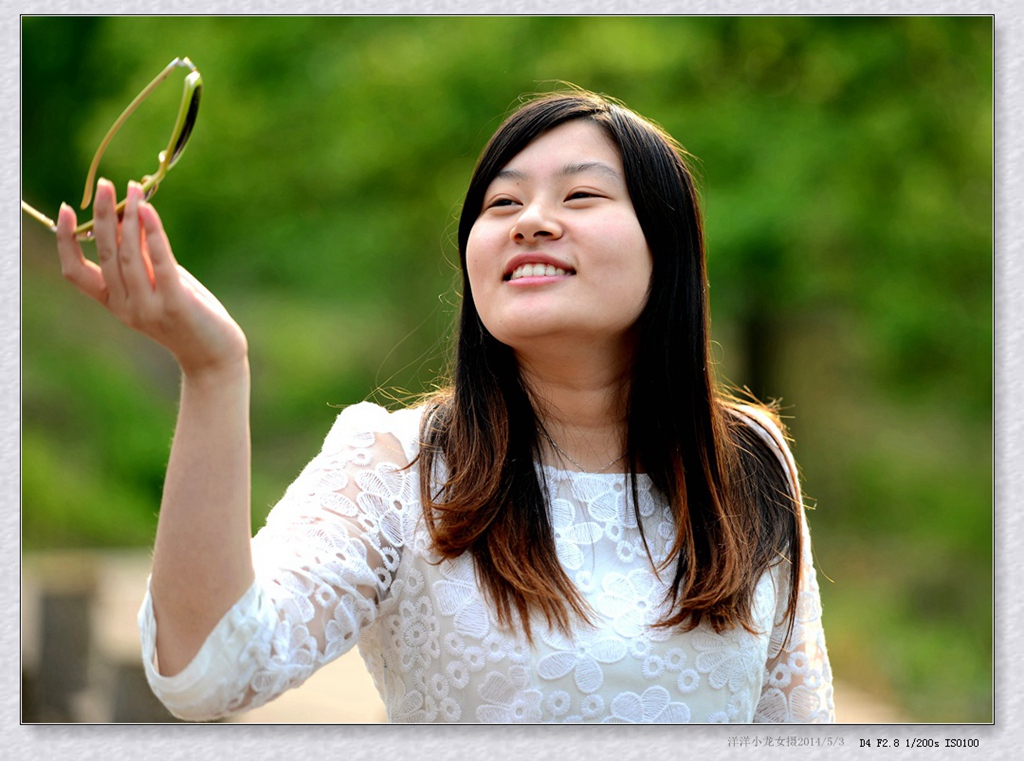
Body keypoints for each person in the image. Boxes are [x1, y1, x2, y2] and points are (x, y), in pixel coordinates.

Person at [55, 89, 834, 723]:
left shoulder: (750, 462)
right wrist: (213, 369)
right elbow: (207, 673)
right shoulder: (398, 465)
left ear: (668, 252)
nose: (530, 219)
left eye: (583, 194)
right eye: (501, 204)